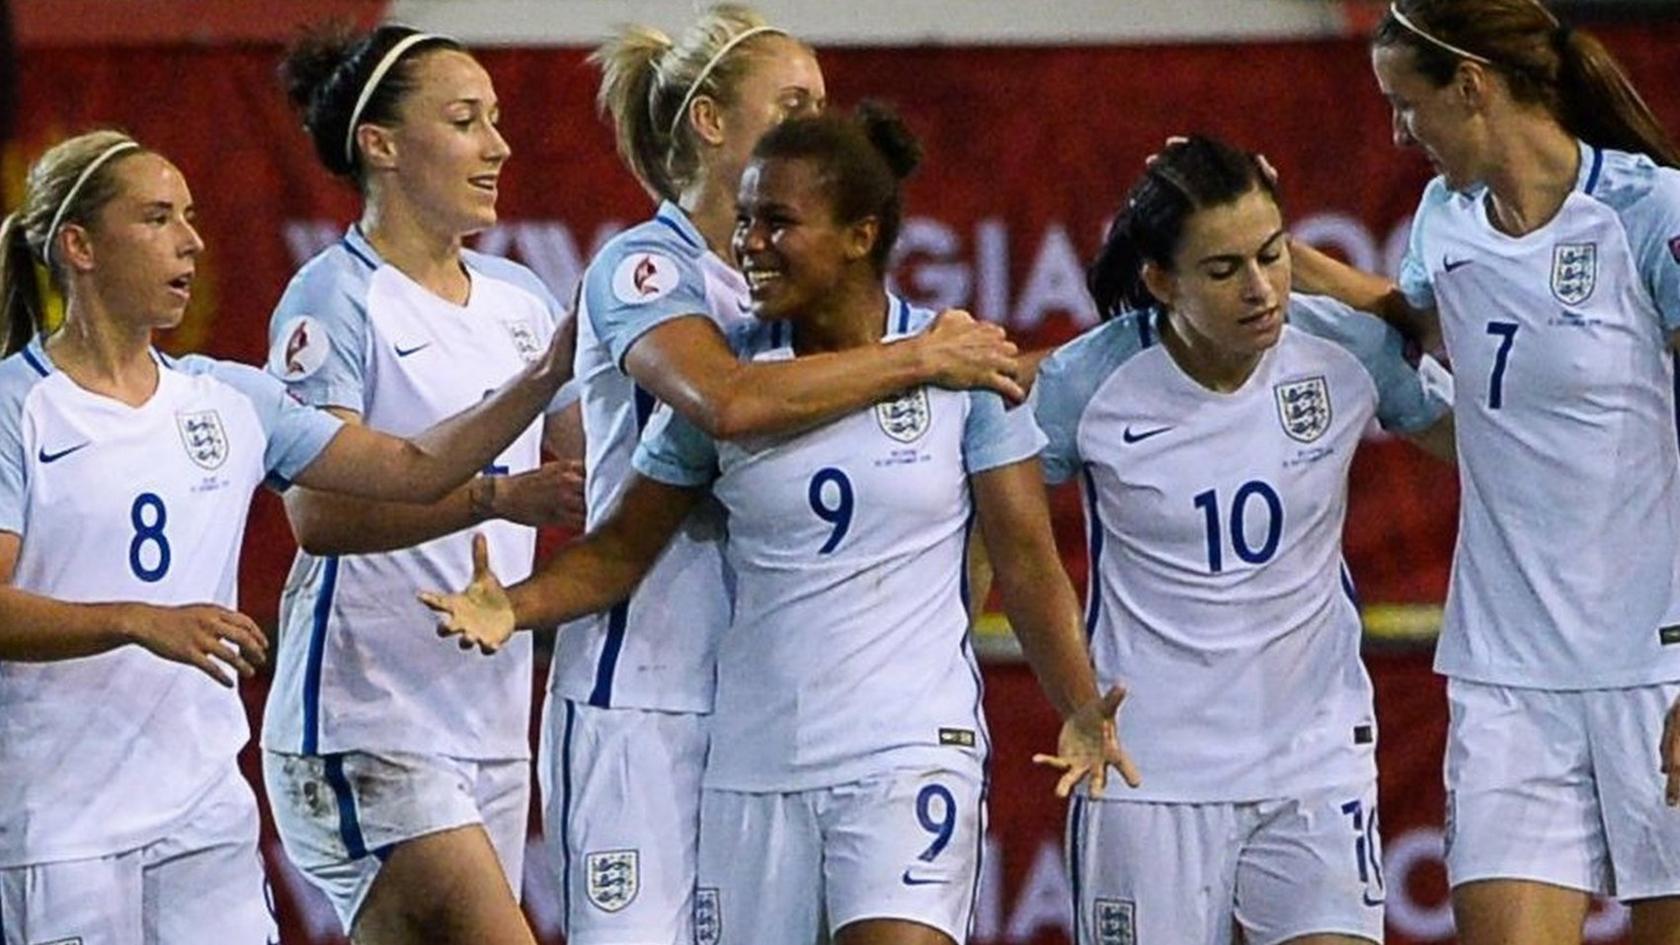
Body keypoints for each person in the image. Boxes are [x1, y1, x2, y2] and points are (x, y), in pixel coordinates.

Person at [424, 105, 1131, 945]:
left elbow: (1028, 562)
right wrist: (513, 605)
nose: (750, 242)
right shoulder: (737, 382)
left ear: (860, 236)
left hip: (908, 750)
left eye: (779, 222)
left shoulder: (965, 369)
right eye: (747, 220)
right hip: (756, 760)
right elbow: (620, 551)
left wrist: (1079, 704)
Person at [0, 130, 571, 945]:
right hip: (60, 828)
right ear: (78, 247)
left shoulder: (229, 398)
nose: (190, 240)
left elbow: (410, 465)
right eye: (157, 218)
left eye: (191, 217)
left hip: (204, 819)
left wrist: (541, 382)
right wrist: (135, 618)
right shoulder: (19, 406)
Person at [552, 7, 1024, 943]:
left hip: (756, 698)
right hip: (640, 684)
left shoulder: (772, 284)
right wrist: (924, 359)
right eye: (796, 99)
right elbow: (728, 401)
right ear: (712, 123)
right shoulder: (646, 267)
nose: (823, 120)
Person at [1291, 2, 1680, 942]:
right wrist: (1288, 263)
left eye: (1407, 105)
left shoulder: (1649, 212)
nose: (1398, 133)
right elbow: (1425, 329)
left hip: (1657, 667)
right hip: (1508, 675)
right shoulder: (1444, 220)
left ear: (1471, 87)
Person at [1033, 134, 1451, 945]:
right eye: (1224, 270)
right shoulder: (1086, 383)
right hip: (1150, 766)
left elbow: (1503, 452)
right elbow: (999, 540)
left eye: (1272, 255)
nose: (1260, 289)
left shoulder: (1347, 349)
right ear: (1160, 281)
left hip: (1314, 755)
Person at [257, 24, 581, 945]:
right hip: (366, 717)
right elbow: (316, 513)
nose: (498, 146)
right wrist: (492, 495)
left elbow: (593, 472)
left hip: (486, 715)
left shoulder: (522, 298)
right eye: (466, 121)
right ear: (381, 145)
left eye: (498, 121)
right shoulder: (333, 300)